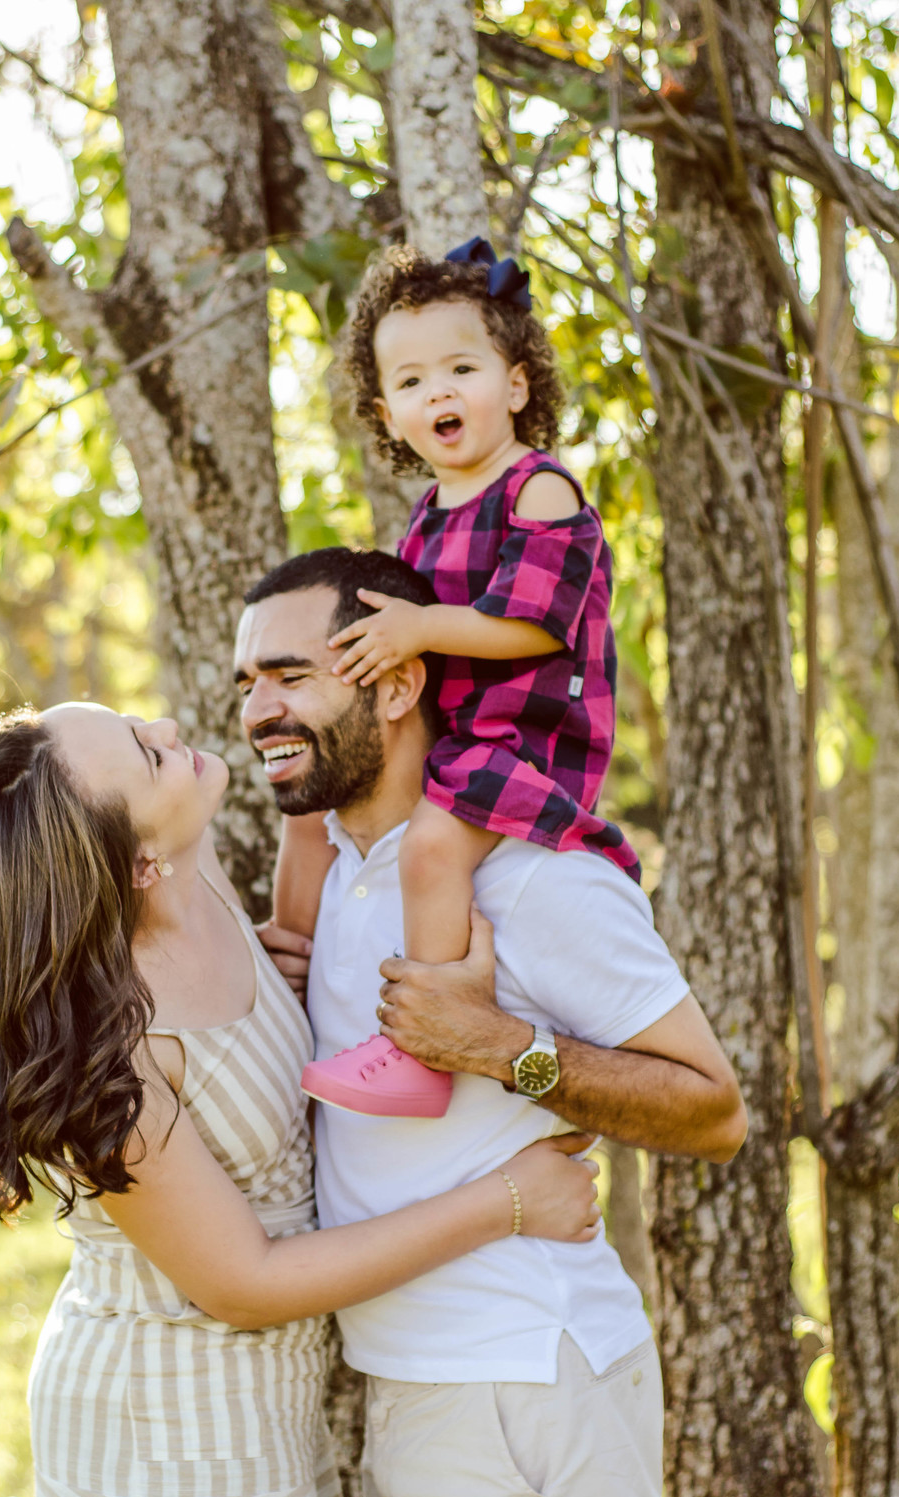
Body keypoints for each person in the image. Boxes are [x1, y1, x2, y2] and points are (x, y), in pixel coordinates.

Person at [0, 703, 607, 1497]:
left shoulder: (197, 884)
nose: (169, 723)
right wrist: (508, 1200)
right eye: (142, 749)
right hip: (168, 1434)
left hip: (264, 1414)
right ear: (129, 860)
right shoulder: (110, 1051)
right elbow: (245, 1285)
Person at [236, 548, 747, 1497]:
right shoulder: (342, 878)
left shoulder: (529, 878)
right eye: (249, 681)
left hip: (529, 1398)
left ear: (398, 681)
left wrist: (504, 1052)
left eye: (294, 674)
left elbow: (714, 1108)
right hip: (402, 1399)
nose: (258, 711)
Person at [281, 238, 640, 1120]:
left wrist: (418, 629)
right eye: (410, 382)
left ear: (515, 386)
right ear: (387, 414)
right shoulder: (426, 515)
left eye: (461, 368)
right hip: (460, 736)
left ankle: (423, 1048)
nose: (437, 391)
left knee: (436, 847)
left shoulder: (539, 493)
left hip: (528, 738)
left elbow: (533, 624)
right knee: (318, 819)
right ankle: (293, 975)